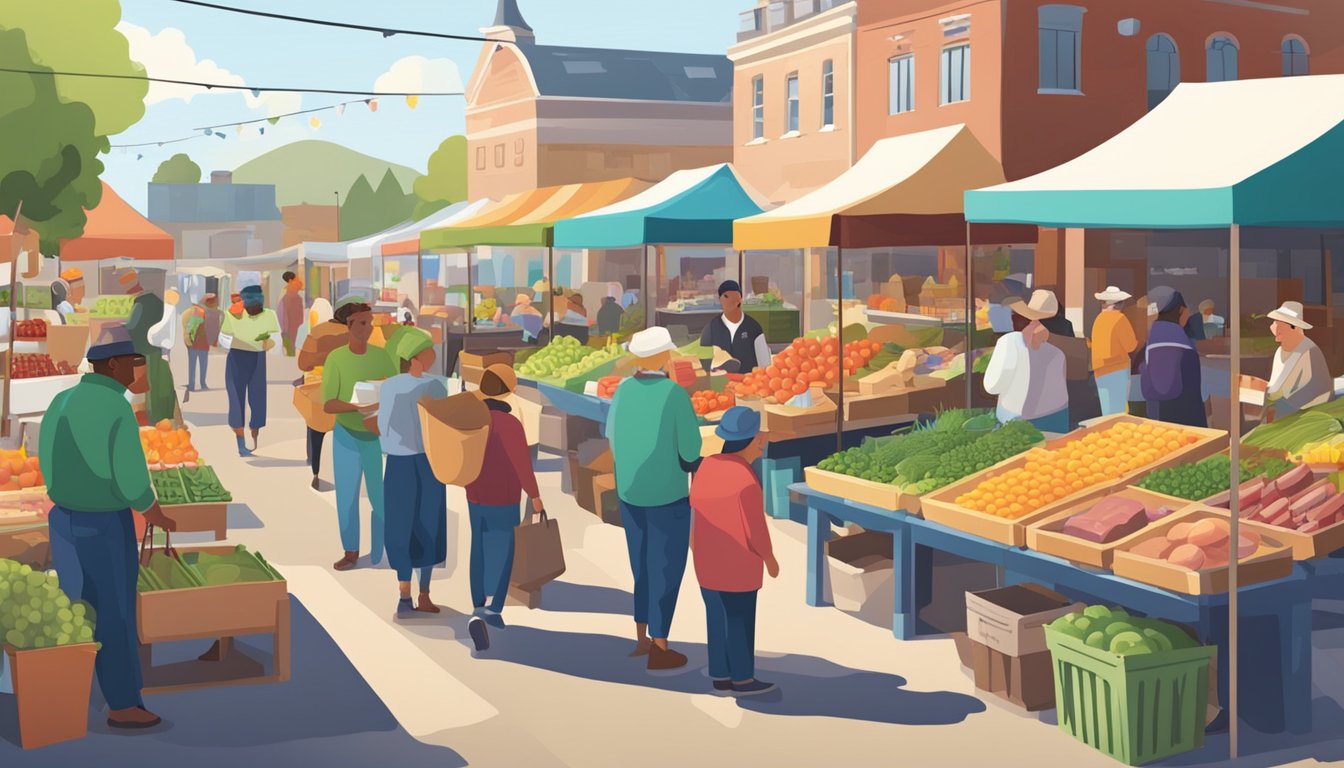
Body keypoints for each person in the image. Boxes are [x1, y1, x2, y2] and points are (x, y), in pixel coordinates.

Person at [40, 327, 178, 730]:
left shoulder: (62, 400)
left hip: (63, 519)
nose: (137, 370)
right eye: (133, 363)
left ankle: (66, 692)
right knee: (114, 614)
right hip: (103, 524)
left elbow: (47, 460)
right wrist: (156, 514)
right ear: (113, 364)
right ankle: (122, 704)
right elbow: (131, 479)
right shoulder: (115, 407)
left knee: (75, 609)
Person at [606, 326, 702, 670]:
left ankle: (641, 637)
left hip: (630, 492)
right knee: (665, 566)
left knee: (641, 563)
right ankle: (661, 646)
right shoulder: (674, 395)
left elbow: (612, 438)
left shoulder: (622, 391)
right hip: (667, 494)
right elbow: (691, 449)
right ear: (662, 358)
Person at [690, 406, 779, 696]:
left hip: (706, 562)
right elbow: (755, 530)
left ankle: (720, 673)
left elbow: (695, 512)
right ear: (751, 441)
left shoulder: (705, 467)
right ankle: (742, 678)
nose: (762, 442)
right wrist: (769, 558)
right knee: (739, 619)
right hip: (738, 565)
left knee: (716, 617)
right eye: (759, 438)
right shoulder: (745, 479)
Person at [372, 329, 451, 621]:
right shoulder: (437, 386)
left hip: (398, 463)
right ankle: (424, 594)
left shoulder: (390, 386)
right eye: (429, 350)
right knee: (428, 524)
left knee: (400, 524)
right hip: (429, 464)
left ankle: (404, 596)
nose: (434, 355)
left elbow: (383, 424)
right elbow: (443, 423)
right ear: (416, 356)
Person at [463, 364, 544, 639]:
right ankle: (494, 608)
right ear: (510, 390)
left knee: (479, 547)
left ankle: (477, 605)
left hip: (475, 494)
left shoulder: (472, 419)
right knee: (506, 549)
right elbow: (522, 464)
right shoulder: (509, 425)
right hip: (505, 497)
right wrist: (534, 496)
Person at [322, 296, 398, 571]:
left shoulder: (381, 356)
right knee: (347, 496)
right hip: (347, 436)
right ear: (350, 324)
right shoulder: (337, 359)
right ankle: (351, 551)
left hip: (375, 436)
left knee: (381, 496)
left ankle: (381, 550)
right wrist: (356, 407)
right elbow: (328, 402)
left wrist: (380, 411)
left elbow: (393, 390)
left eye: (371, 322)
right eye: (364, 323)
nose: (369, 328)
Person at [983, 290, 1069, 433]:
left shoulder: (1009, 342)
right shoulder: (1059, 353)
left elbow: (992, 386)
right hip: (1058, 416)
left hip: (1018, 418)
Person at [220, 285, 280, 456]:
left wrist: (271, 343)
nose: (255, 303)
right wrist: (235, 342)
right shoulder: (233, 313)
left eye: (258, 299)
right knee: (236, 399)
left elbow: (275, 338)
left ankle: (254, 437)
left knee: (258, 398)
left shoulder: (269, 314)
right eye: (251, 299)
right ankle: (241, 442)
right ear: (244, 300)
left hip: (258, 358)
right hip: (237, 358)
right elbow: (223, 338)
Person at [297, 297, 347, 491]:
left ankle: (316, 469)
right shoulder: (343, 334)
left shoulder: (309, 332)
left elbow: (302, 362)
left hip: (314, 385)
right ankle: (334, 470)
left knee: (315, 427)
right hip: (336, 386)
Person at [1140, 286, 1206, 428]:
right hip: (1183, 419)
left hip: (1157, 420)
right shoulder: (1180, 340)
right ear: (1182, 311)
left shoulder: (1153, 338)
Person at [123, 271, 179, 425]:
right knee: (163, 382)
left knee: (151, 383)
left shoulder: (141, 302)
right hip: (160, 349)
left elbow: (132, 325)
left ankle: (155, 417)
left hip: (145, 348)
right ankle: (166, 416)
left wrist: (124, 327)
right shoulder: (160, 302)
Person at [1265, 301, 1332, 417]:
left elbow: (1316, 388)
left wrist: (1283, 407)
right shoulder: (1279, 352)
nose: (1275, 328)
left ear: (1294, 328)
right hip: (1283, 409)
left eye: (1281, 324)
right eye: (1275, 323)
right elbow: (1274, 386)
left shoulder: (1309, 351)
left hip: (1309, 411)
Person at [700, 280, 772, 373]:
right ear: (720, 300)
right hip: (719, 385)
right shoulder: (710, 329)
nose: (731, 301)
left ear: (740, 299)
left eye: (734, 297)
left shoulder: (754, 328)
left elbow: (765, 364)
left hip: (749, 384)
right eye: (726, 297)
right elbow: (703, 365)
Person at [1090, 286, 1139, 416]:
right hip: (1118, 368)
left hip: (1099, 369)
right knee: (1119, 411)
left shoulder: (1098, 319)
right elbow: (1130, 346)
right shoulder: (1120, 319)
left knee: (1106, 411)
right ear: (1120, 304)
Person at [181, 290, 220, 400]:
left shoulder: (199, 311)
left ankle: (193, 385)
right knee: (203, 364)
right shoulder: (208, 312)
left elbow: (192, 327)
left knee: (193, 364)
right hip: (202, 342)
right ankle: (202, 384)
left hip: (196, 343)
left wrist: (189, 338)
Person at [277, 271, 305, 357]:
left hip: (290, 323)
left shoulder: (284, 292)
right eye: (295, 278)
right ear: (290, 280)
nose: (298, 280)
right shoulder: (292, 293)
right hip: (291, 322)